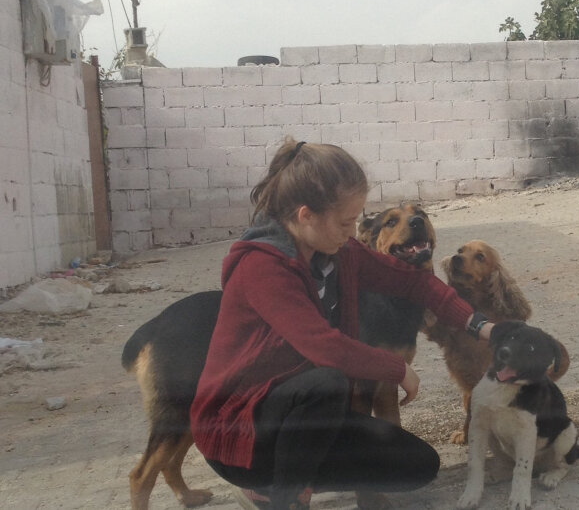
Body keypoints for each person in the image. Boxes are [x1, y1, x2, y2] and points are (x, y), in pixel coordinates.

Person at [189, 137, 493, 510]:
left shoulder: (338, 252)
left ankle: (282, 481)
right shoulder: (263, 267)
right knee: (326, 381)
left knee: (414, 467)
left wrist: (481, 325)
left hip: (305, 419)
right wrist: (397, 368)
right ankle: (279, 496)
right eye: (346, 221)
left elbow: (410, 280)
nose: (353, 233)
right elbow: (324, 347)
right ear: (306, 215)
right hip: (240, 431)